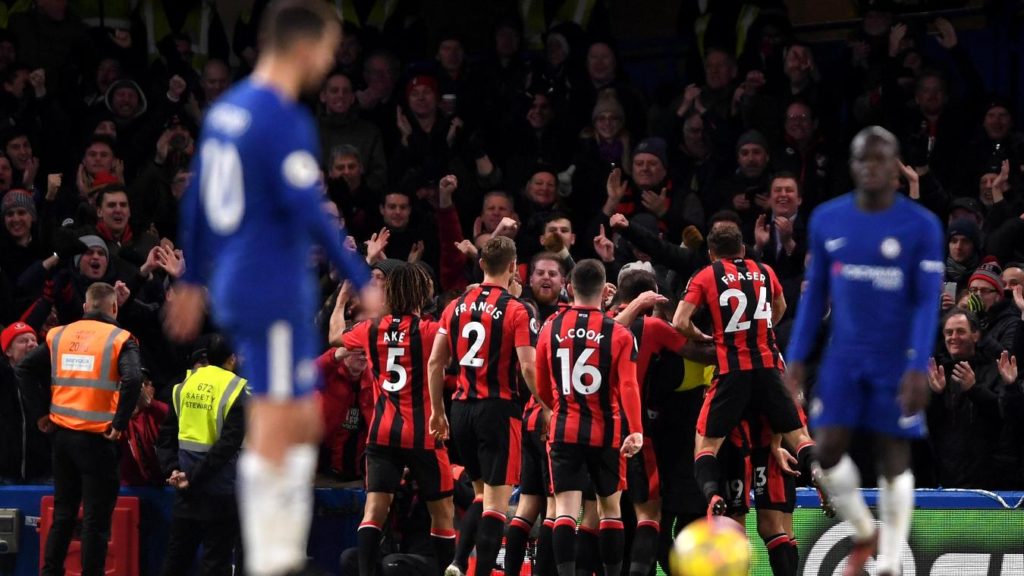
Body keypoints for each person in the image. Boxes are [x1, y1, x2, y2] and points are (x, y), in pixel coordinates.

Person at [163, 2, 371, 575]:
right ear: (303, 48)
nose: (327, 63)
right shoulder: (282, 117)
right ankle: (274, 556)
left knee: (295, 417)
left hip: (237, 282)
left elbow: (199, 198)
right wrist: (359, 278)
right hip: (271, 285)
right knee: (286, 421)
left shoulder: (226, 111)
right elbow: (310, 208)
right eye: (326, 50)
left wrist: (191, 281)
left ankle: (272, 551)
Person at [785, 126, 944, 576]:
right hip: (843, 357)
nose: (872, 167)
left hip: (896, 358)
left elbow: (926, 301)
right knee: (827, 453)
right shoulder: (826, 220)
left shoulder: (922, 225)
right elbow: (814, 297)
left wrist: (917, 365)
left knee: (893, 453)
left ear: (896, 169)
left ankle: (891, 560)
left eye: (882, 160)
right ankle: (863, 530)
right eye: (863, 159)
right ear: (853, 166)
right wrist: (795, 358)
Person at [673, 224, 814, 518]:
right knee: (799, 437)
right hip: (768, 369)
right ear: (742, 248)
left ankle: (712, 496)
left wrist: (703, 336)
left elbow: (680, 322)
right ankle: (820, 474)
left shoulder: (706, 275)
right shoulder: (765, 271)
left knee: (706, 445)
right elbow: (781, 304)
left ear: (712, 254)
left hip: (731, 372)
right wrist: (763, 329)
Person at [427, 236, 541, 576]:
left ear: (481, 265)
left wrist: (437, 410)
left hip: (461, 410)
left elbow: (436, 363)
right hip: (499, 411)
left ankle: (459, 562)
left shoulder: (454, 307)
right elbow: (528, 366)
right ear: (512, 267)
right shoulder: (517, 310)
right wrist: (546, 402)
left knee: (480, 495)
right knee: (497, 504)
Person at [14, 282, 143, 575]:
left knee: (63, 516)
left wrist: (40, 414)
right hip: (98, 441)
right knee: (96, 522)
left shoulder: (59, 335)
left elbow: (23, 369)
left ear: (85, 307)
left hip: (62, 440)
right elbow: (134, 379)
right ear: (113, 307)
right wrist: (120, 423)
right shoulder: (120, 338)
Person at [336, 263, 457, 576]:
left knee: (375, 509)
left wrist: (339, 304)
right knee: (442, 512)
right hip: (423, 433)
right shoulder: (431, 331)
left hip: (382, 432)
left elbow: (335, 335)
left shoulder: (370, 329)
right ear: (421, 293)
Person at [534, 258, 644, 576]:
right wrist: (635, 429)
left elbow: (541, 384)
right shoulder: (619, 334)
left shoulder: (550, 327)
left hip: (564, 429)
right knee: (610, 510)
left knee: (566, 511)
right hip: (607, 432)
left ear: (569, 288)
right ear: (604, 291)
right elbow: (627, 384)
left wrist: (557, 406)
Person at [157, 334, 247, 575]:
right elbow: (226, 447)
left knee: (176, 560)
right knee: (215, 563)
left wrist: (173, 470)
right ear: (232, 359)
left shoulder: (184, 386)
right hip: (220, 492)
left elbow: (165, 438)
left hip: (186, 491)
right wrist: (192, 476)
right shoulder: (237, 389)